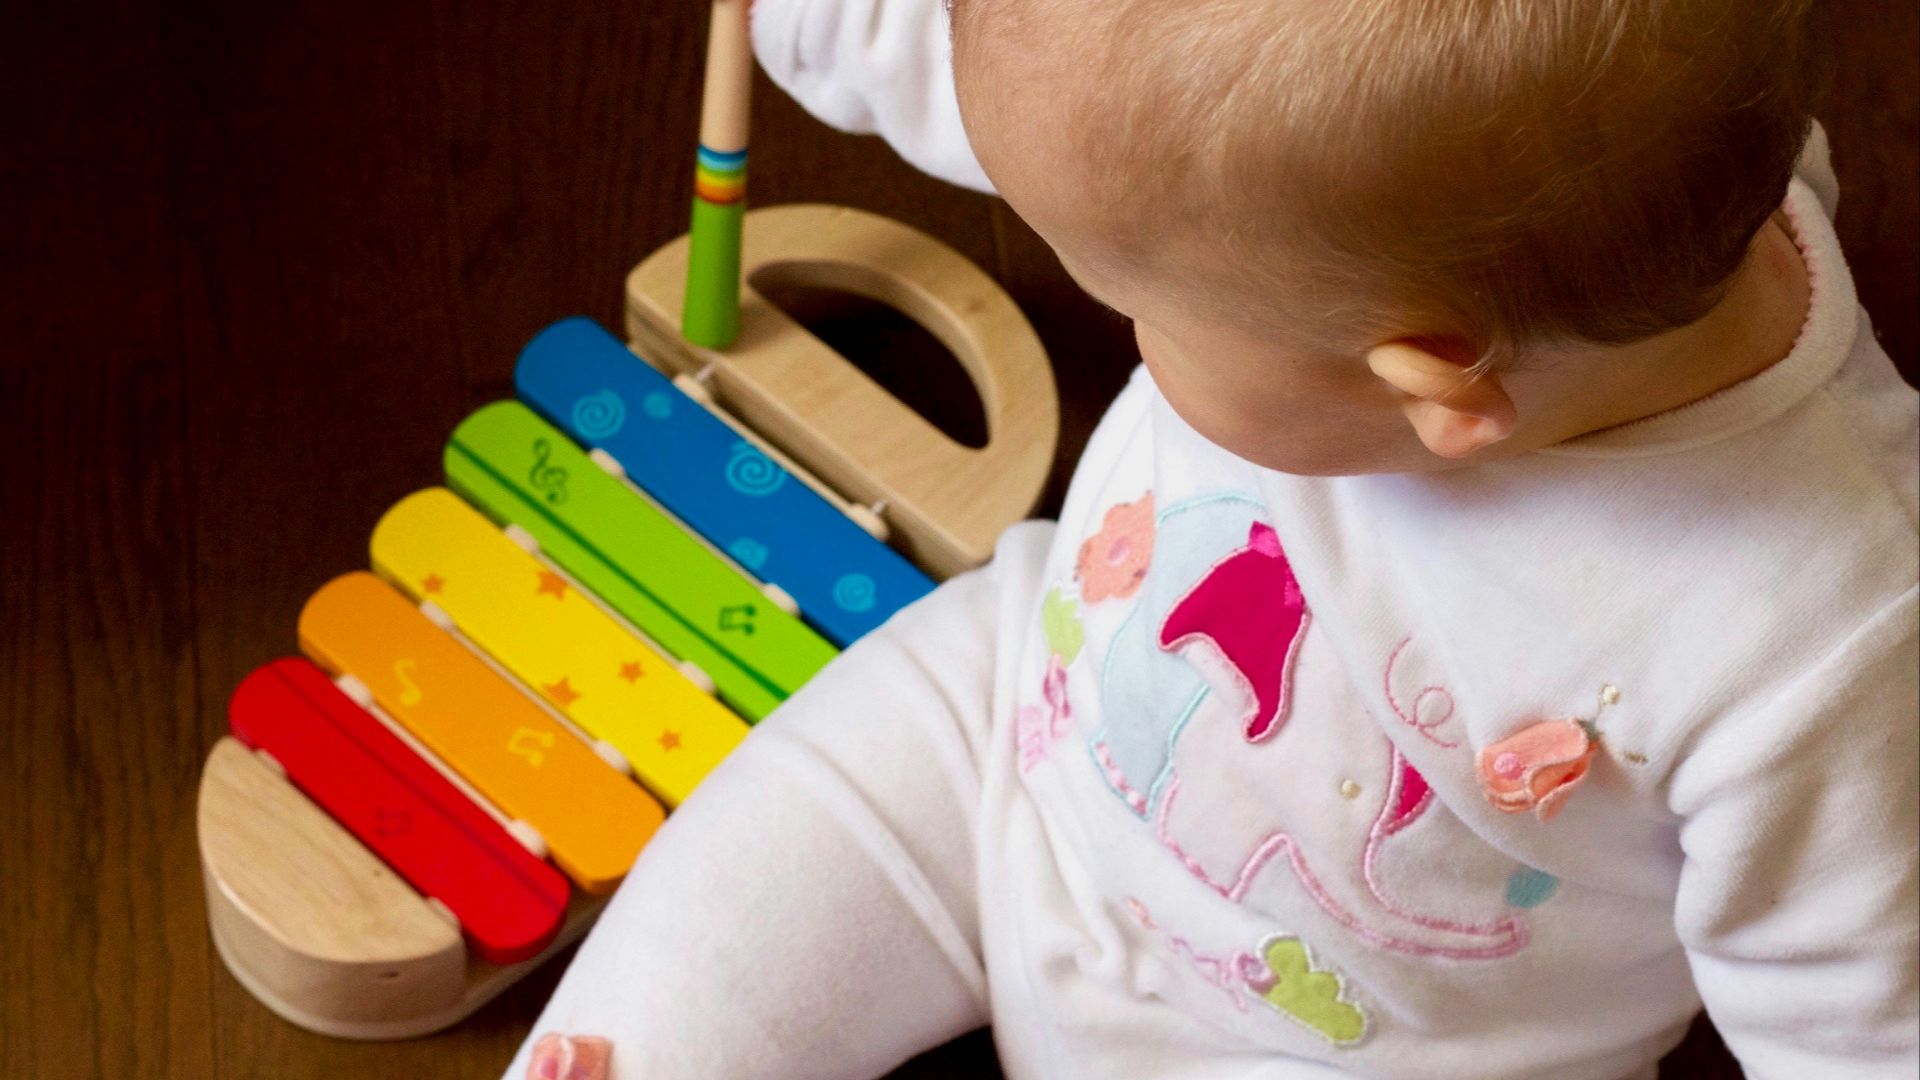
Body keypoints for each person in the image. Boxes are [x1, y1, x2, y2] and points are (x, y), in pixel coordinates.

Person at [515, 1, 1920, 1076]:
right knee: (706, 950)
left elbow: (1858, 1024)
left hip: (1349, 1050)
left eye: (1145, 308)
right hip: (1008, 743)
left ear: (1432, 389)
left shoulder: (1825, 646)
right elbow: (1054, 92)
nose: (1128, 325)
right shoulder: (1581, 183)